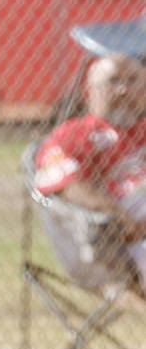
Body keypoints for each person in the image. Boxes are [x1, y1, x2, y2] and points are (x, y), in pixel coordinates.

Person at [35, 53, 146, 285]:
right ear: (90, 91)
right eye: (114, 81)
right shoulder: (74, 135)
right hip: (122, 234)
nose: (124, 90)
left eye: (134, 80)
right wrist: (117, 216)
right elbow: (65, 186)